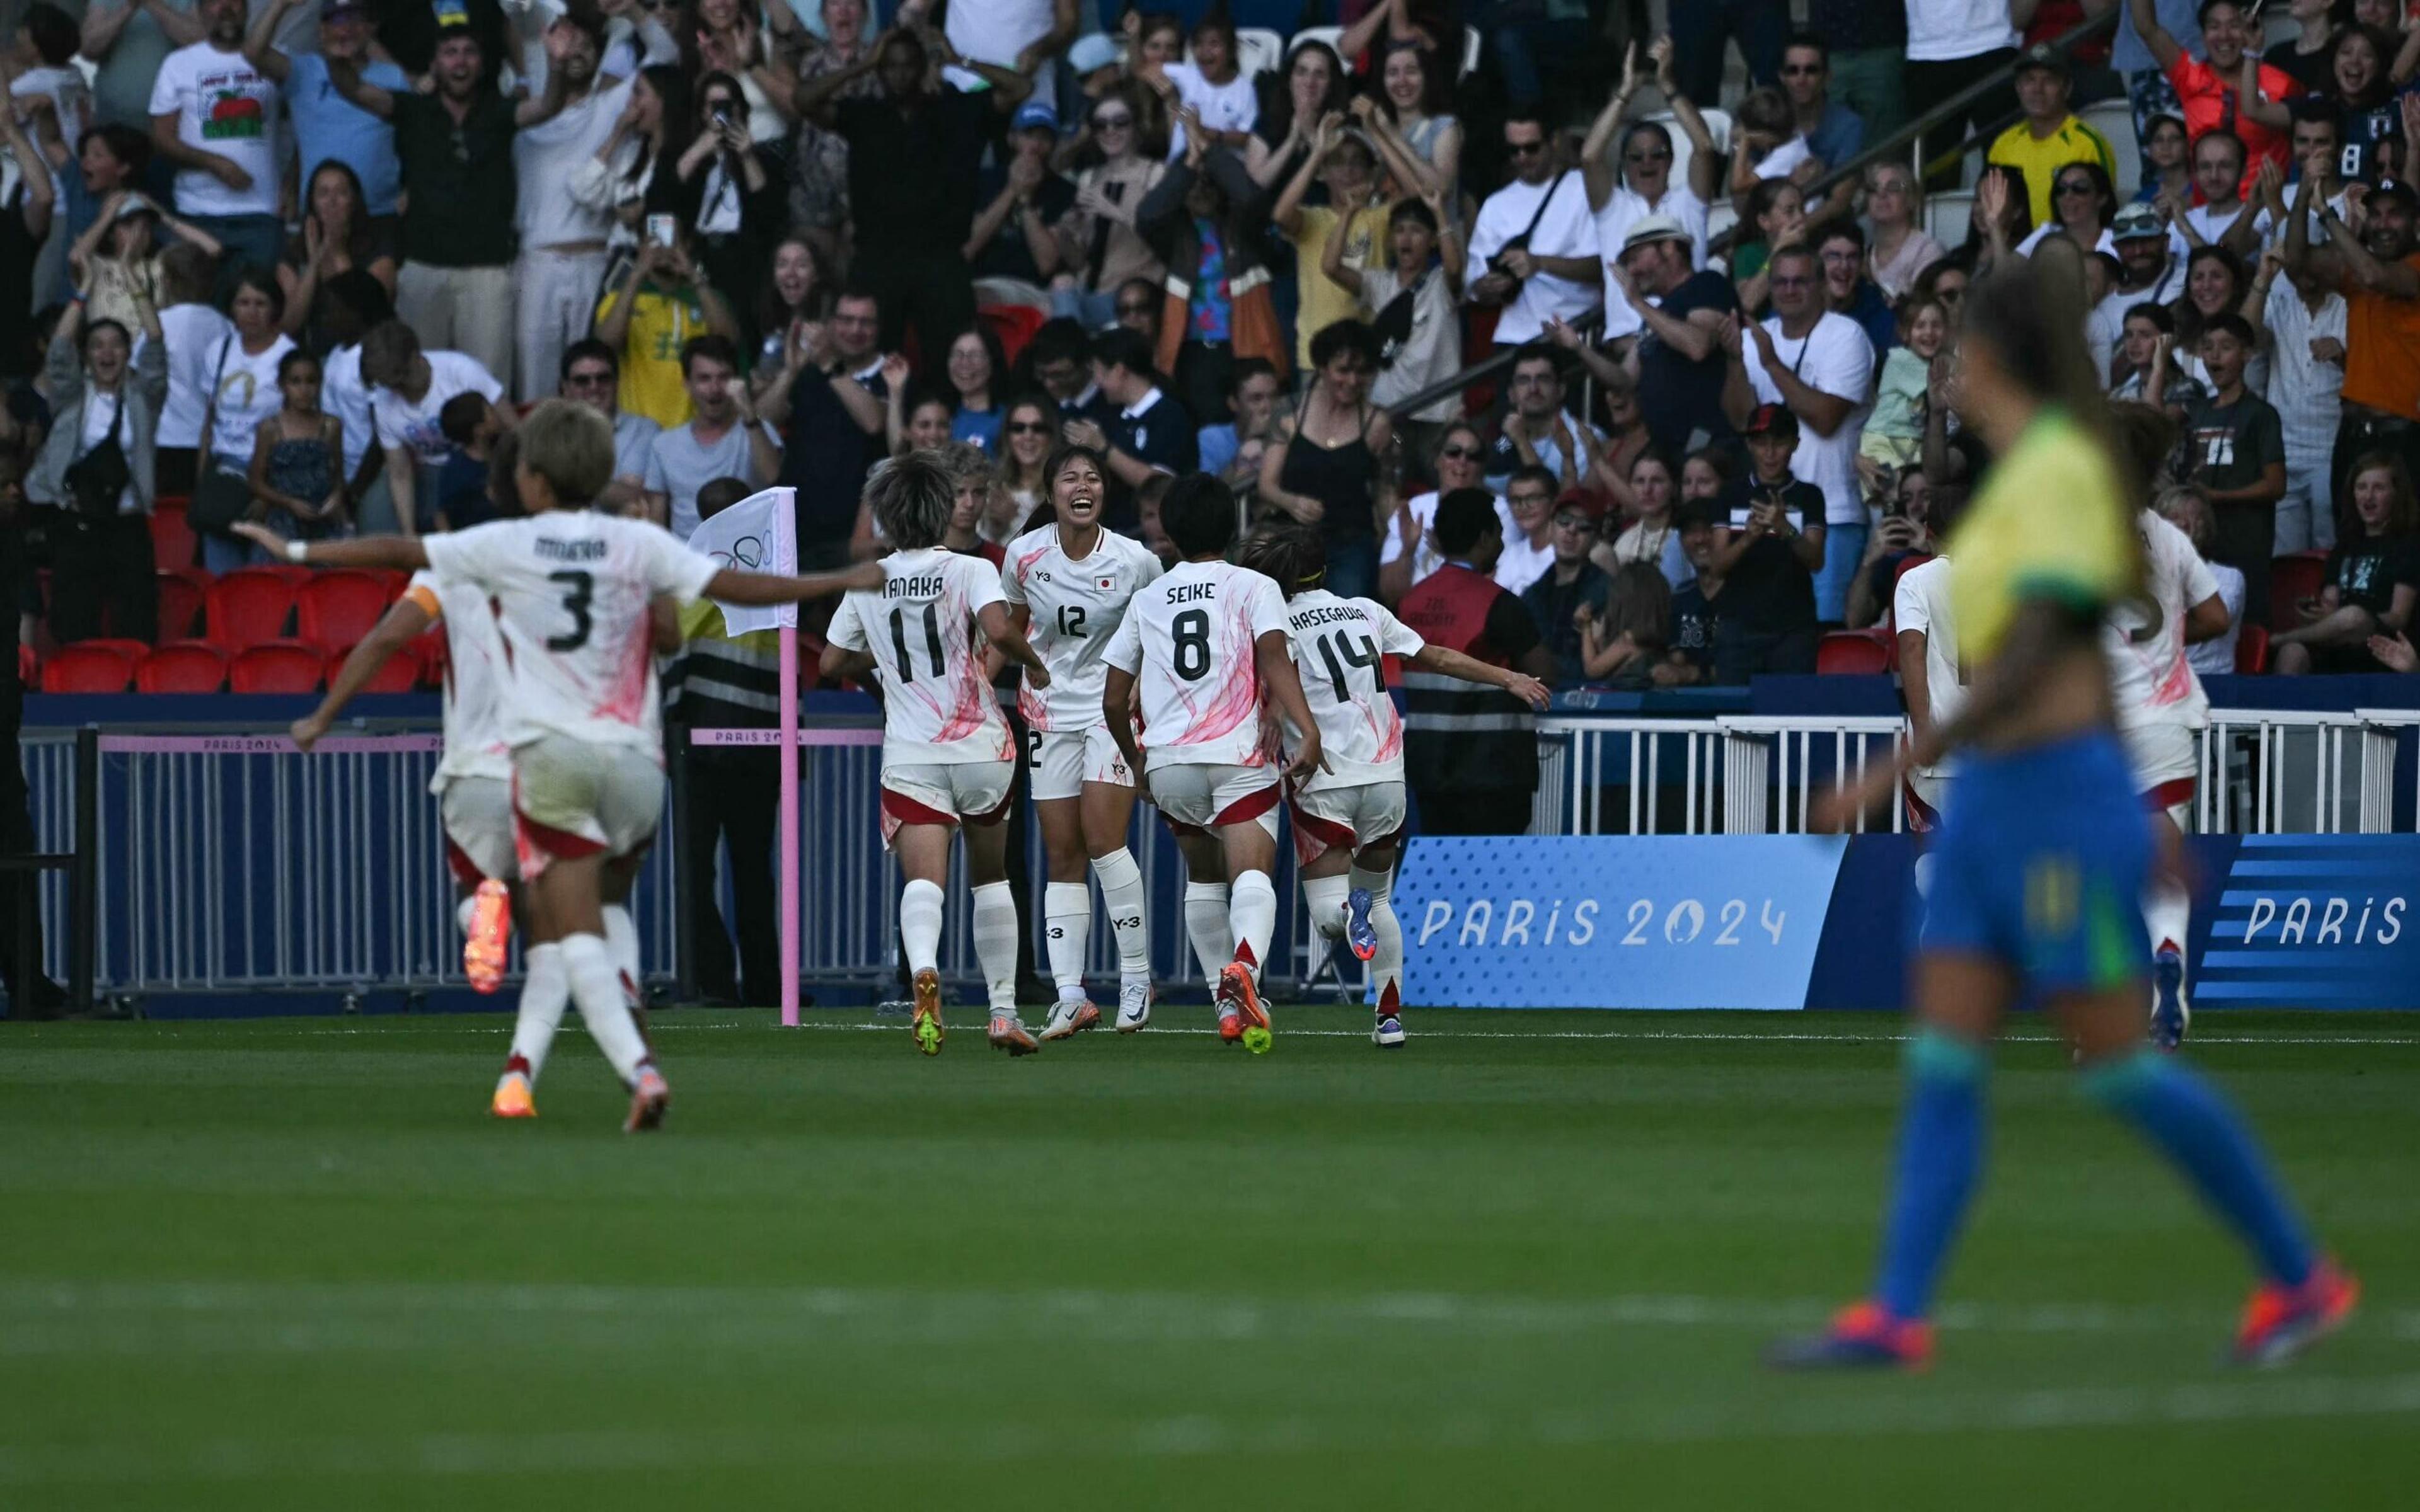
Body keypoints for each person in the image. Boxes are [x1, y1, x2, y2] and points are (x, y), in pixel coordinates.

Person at [1772, 255, 2356, 1373]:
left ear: (1983, 359)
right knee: (1943, 1061)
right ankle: (1896, 1314)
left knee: (2119, 1066)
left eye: (1949, 351)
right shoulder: (2024, 479)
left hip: (2050, 803)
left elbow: (2045, 647)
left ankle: (2301, 1276)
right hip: (1997, 805)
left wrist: (1903, 761)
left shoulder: (2058, 477)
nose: (1939, 367)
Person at [244, 399, 879, 1128]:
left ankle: (631, 1063)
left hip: (546, 761)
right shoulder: (635, 543)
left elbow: (395, 551)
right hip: (638, 768)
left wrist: (293, 552)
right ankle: (542, 1060)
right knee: (607, 912)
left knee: (569, 928)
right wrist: (833, 583)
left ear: (533, 479)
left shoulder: (499, 547)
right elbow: (727, 586)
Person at [1243, 524, 1550, 1047]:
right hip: (1385, 776)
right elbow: (1440, 657)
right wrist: (1509, 678)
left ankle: (1348, 913)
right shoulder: (1366, 610)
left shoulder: (1276, 624)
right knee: (1379, 900)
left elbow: (1274, 681)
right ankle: (1389, 1019)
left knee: (1328, 914)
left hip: (1325, 777)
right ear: (1325, 568)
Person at [819, 451, 1054, 1057]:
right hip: (981, 745)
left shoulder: (869, 578)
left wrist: (887, 657)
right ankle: (1003, 1011)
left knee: (926, 883)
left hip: (912, 752)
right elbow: (1002, 632)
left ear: (886, 515)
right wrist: (1034, 666)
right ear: (943, 508)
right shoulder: (971, 570)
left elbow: (830, 663)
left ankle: (925, 970)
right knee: (991, 878)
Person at [287, 435, 521, 1011]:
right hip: (562, 763)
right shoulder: (582, 559)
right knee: (561, 900)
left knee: (481, 889)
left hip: (479, 772)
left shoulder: (453, 563)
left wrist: (322, 716)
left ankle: (483, 911)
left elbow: (388, 637)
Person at [1102, 472, 1322, 1048]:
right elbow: (1274, 661)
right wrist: (1310, 729)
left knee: (1203, 877)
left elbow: (1111, 698)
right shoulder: (1253, 587)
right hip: (1237, 754)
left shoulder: (1147, 599)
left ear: (1169, 532)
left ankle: (1224, 1004)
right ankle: (1243, 970)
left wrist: (1140, 766)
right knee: (1251, 875)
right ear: (1233, 527)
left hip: (1171, 760)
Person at [999, 444, 1164, 1038]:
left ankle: (1137, 978)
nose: (1082, 485)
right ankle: (1071, 994)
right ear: (1051, 495)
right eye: (1069, 477)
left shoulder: (1136, 561)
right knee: (1061, 852)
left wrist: (1145, 691)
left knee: (1102, 841)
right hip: (1047, 714)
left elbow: (1160, 631)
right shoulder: (1023, 556)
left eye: (1092, 476)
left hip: (1110, 712)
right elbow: (1009, 626)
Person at [326, 21, 577, 393]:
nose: (460, 61)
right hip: (423, 268)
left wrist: (556, 66)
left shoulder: (499, 111)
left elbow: (548, 106)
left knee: (488, 388)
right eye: (450, 52)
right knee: (418, 382)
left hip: (487, 272)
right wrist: (338, 59)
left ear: (482, 63)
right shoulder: (412, 109)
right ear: (435, 64)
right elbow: (355, 90)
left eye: (469, 52)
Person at [800, 23, 1031, 361]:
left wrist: (957, 60)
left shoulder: (957, 110)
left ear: (922, 67)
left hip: (941, 258)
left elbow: (1021, 86)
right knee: (872, 361)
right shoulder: (864, 114)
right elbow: (803, 99)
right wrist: (863, 65)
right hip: (878, 257)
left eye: (908, 64)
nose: (900, 74)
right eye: (890, 66)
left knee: (952, 357)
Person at [664, 474, 785, 1007]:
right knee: (753, 874)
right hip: (759, 749)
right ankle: (761, 987)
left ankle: (713, 982)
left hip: (700, 752)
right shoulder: (772, 586)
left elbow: (670, 662)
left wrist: (666, 735)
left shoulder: (694, 583)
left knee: (697, 871)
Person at [1722, 243, 1874, 622]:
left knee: (1824, 633)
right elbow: (1741, 420)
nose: (1789, 290)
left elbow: (1826, 419)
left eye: (1800, 281)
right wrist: (1736, 361)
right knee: (1766, 631)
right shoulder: (1755, 336)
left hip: (1831, 515)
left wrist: (1771, 364)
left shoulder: (1846, 335)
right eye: (1781, 282)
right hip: (1760, 517)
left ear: (1821, 284)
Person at [1396, 488, 1555, 835]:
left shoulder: (1411, 603)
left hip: (1429, 769)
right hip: (1494, 774)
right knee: (1494, 881)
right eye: (1499, 533)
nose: (1501, 543)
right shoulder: (1500, 604)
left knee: (1442, 879)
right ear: (1484, 538)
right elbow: (1544, 674)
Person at [500, 3, 629, 403]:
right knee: (537, 388)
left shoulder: (609, 106)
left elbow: (668, 56)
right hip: (538, 264)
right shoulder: (521, 114)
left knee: (595, 386)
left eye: (587, 46)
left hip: (594, 263)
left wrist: (635, 10)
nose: (577, 53)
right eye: (569, 44)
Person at [2281, 168, 2420, 525]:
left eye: (2395, 214)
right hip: (2353, 435)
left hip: (2404, 437)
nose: (2383, 224)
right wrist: (2303, 196)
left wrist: (2328, 216)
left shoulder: (2411, 267)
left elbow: (2376, 276)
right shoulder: (2358, 271)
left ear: (2415, 221)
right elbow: (2296, 261)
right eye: (2375, 214)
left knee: (2403, 543)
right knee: (2349, 540)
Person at [28, 289, 167, 642]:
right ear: (87, 355)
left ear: (126, 353)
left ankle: (136, 694)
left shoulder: (143, 398)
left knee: (137, 621)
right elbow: (59, 351)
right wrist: (81, 295)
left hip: (127, 524)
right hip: (78, 525)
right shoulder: (72, 396)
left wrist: (138, 293)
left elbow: (155, 344)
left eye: (116, 345)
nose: (107, 353)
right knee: (75, 621)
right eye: (97, 345)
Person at [147, 0, 284, 289]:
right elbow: (161, 139)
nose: (226, 8)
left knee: (258, 312)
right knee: (202, 308)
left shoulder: (276, 59)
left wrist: (294, 186)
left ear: (247, 9)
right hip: (197, 213)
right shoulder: (178, 64)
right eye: (214, 1)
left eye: (235, 1)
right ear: (199, 10)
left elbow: (302, 123)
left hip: (261, 213)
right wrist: (215, 164)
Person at [1261, 319, 1394, 600]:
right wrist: (1293, 503)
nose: (1353, 381)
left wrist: (1399, 540)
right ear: (1322, 367)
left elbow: (1385, 491)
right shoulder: (1291, 411)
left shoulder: (1377, 423)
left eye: (1362, 372)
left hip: (1351, 544)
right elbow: (1267, 484)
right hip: (1293, 542)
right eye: (1343, 370)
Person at [243, 0, 407, 226]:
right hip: (319, 214)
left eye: (355, 19)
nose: (347, 28)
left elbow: (416, 140)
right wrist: (280, 5)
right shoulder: (303, 71)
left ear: (370, 28)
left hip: (381, 212)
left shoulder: (394, 77)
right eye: (337, 20)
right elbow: (253, 53)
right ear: (322, 30)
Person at [2181, 312, 2288, 622]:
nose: (2214, 355)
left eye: (2226, 347)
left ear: (2247, 355)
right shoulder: (2198, 412)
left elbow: (2276, 486)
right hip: (2203, 548)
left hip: (2246, 546)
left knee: (2247, 625)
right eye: (2208, 347)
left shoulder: (2261, 415)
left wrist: (2218, 497)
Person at [2124, 0, 2296, 193]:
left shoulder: (2282, 84)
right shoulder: (2190, 78)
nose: (2224, 36)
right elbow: (2146, 27)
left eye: (2234, 25)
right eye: (2214, 26)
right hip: (2208, 214)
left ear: (2251, 27)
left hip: (2266, 210)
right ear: (2203, 35)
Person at [1466, 110, 1603, 350]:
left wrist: (1540, 263)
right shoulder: (1495, 204)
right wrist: (1489, 286)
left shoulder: (1585, 190)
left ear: (1554, 142)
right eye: (1514, 150)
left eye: (1531, 148)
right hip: (1514, 337)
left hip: (1575, 332)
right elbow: (1473, 285)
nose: (1522, 157)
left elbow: (1603, 267)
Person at [1584, 38, 1719, 280]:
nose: (1647, 163)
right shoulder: (1613, 208)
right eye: (1636, 157)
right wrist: (1625, 91)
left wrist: (1667, 85)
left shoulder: (1688, 203)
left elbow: (1705, 146)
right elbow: (1590, 156)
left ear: (1670, 162)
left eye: (1657, 155)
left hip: (1683, 319)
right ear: (1624, 166)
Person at [360, 318, 508, 539]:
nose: (396, 389)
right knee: (376, 515)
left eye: (400, 379)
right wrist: (409, 533)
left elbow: (512, 428)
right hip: (429, 471)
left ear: (416, 358)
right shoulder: (384, 401)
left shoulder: (461, 371)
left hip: (482, 463)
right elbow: (400, 472)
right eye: (387, 384)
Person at [2273, 450, 2420, 673]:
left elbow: (2398, 617)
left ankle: (2278, 639)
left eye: (2378, 488)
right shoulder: (2345, 546)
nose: (2368, 496)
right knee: (2292, 652)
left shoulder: (2408, 545)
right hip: (2336, 642)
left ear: (2396, 494)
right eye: (2361, 487)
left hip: (2380, 646)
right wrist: (2315, 612)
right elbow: (2330, 604)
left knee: (2354, 616)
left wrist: (2356, 619)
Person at [1709, 404, 1827, 677]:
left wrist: (1784, 528)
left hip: (1793, 628)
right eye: (1761, 443)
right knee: (1733, 716)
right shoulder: (1730, 494)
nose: (1770, 453)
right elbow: (1716, 566)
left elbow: (1816, 560)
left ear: (1795, 444)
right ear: (1750, 445)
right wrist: (1748, 539)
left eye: (1779, 442)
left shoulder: (1809, 496)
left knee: (1792, 714)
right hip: (1738, 626)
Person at [193, 268, 297, 570]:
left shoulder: (286, 355)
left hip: (267, 474)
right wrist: (203, 482)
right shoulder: (220, 349)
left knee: (262, 575)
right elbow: (210, 421)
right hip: (223, 471)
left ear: (275, 308)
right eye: (244, 303)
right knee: (222, 577)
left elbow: (293, 428)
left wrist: (270, 495)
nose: (251, 312)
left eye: (260, 303)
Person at [1274, 120, 1393, 377]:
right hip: (1316, 358)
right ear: (1323, 172)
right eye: (1337, 161)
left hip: (1366, 357)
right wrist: (1317, 153)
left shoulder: (1379, 218)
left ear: (1371, 172)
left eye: (1358, 161)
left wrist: (1381, 137)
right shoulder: (1312, 218)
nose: (1348, 170)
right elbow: (1281, 215)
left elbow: (1421, 193)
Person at [594, 228, 742, 428]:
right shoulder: (618, 300)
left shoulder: (709, 301)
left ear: (687, 244)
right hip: (636, 433)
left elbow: (728, 343)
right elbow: (604, 349)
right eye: (654, 239)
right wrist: (637, 273)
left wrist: (693, 275)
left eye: (671, 238)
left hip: (693, 433)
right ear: (641, 245)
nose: (663, 248)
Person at [1049, 83, 1167, 331]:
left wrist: (1114, 211)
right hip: (1093, 289)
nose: (1110, 131)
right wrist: (1067, 234)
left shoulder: (1155, 174)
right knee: (1061, 284)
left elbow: (1166, 239)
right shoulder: (1089, 178)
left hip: (1134, 293)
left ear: (1136, 126)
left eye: (1120, 122)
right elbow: (1078, 260)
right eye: (1101, 125)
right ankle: (1071, 355)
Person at [642, 335, 779, 539]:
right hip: (687, 563)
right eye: (704, 379)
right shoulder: (663, 445)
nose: (715, 389)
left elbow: (775, 477)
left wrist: (749, 415)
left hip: (749, 556)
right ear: (687, 384)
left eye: (723, 378)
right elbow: (656, 524)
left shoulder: (758, 429)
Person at [1060, 327, 1194, 527]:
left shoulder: (1169, 414)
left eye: (1099, 374)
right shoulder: (1109, 414)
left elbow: (1161, 484)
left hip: (1154, 535)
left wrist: (1104, 449)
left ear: (1120, 371)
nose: (1096, 383)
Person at [1378, 421, 1516, 603]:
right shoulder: (1414, 509)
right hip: (1418, 617)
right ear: (1437, 459)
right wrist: (1408, 551)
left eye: (1473, 456)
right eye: (1453, 452)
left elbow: (1496, 587)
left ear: (1482, 466)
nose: (1462, 461)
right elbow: (1391, 595)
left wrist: (1451, 555)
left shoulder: (1502, 511)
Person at [1988, 43, 2120, 226]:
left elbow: (2105, 210)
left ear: (2067, 89)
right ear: (2018, 88)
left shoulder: (2087, 142)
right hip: (2016, 250)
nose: (2037, 89)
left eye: (2049, 80)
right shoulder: (2004, 144)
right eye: (2029, 80)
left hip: (2072, 249)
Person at [1904, 0, 2020, 192]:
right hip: (1928, 50)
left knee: (2004, 161)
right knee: (1933, 172)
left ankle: (2002, 220)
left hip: (1993, 42)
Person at [967, 101, 1075, 299]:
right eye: (1028, 135)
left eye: (1044, 138)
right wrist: (1011, 190)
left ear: (1053, 145)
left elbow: (1047, 265)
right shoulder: (985, 180)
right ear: (1011, 138)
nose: (1035, 146)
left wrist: (1025, 201)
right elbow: (969, 248)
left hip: (1033, 290)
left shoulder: (1064, 191)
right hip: (981, 282)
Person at [243, 346, 345, 538]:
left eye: (311, 381)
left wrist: (336, 497)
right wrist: (288, 503)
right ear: (282, 385)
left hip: (321, 516)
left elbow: (337, 474)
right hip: (283, 520)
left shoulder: (331, 426)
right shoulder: (270, 428)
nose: (304, 390)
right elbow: (256, 481)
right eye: (295, 382)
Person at [560, 338, 662, 512]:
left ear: (617, 382)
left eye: (603, 378)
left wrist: (561, 475)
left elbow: (631, 498)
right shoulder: (551, 431)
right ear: (565, 388)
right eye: (582, 381)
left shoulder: (643, 430)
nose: (594, 387)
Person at [1485, 346, 1599, 495]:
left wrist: (1522, 442)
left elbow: (1556, 503)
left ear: (1561, 390)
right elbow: (1486, 481)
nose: (1533, 389)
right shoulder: (1505, 440)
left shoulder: (1585, 438)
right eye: (1524, 381)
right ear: (1511, 394)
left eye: (1543, 379)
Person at [2160, 484, 2248, 676]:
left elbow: (2211, 622)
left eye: (2194, 518)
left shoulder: (2229, 577)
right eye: (2173, 518)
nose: (2183, 525)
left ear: (2207, 525)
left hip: (2212, 682)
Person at [1523, 496, 1607, 682]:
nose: (1572, 530)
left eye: (1584, 526)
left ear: (1596, 539)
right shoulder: (1531, 595)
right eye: (1564, 521)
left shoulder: (1608, 590)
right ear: (1551, 528)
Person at [1862, 162, 1947, 302]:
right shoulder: (1863, 255)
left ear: (1911, 199)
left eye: (1893, 187)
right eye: (1874, 188)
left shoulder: (1928, 251)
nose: (1881, 194)